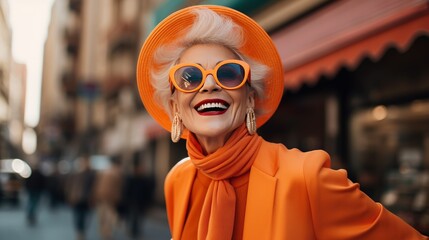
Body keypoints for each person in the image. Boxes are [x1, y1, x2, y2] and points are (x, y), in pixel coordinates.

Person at [136, 5, 428, 240]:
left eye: (228, 74)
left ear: (250, 98)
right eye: (190, 77)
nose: (210, 86)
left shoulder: (307, 179)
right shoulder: (178, 180)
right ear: (174, 105)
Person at [67, 154, 96, 240]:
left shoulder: (91, 175)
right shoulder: (77, 174)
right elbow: (72, 186)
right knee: (78, 216)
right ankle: (79, 231)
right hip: (78, 198)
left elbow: (93, 187)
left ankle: (81, 231)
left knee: (83, 216)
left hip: (85, 199)